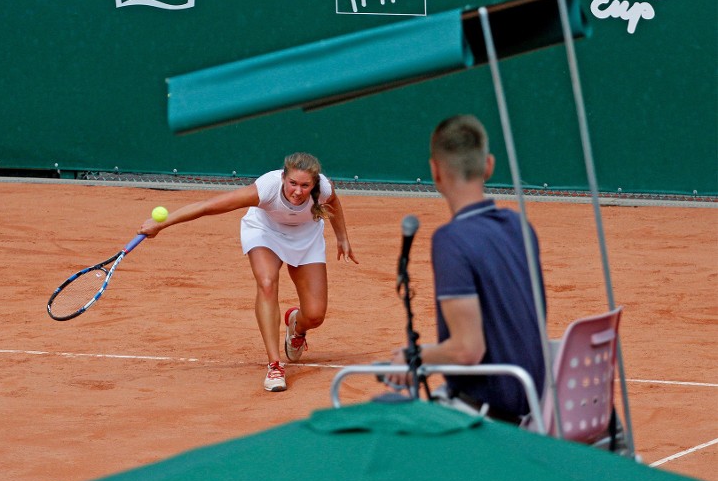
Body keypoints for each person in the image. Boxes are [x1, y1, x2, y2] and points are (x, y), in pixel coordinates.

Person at [140, 152, 358, 392]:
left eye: (305, 185)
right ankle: (275, 365)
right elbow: (207, 207)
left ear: (314, 184)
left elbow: (333, 202)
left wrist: (342, 238)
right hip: (265, 232)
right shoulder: (266, 189)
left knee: (315, 315)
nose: (298, 191)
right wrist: (162, 223)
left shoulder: (324, 188)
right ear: (283, 178)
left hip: (306, 237)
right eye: (293, 183)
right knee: (266, 282)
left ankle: (297, 325)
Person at [385, 114, 546, 423]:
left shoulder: (450, 240)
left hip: (487, 421)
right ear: (488, 165)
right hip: (539, 410)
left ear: (435, 172)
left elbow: (467, 351)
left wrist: (411, 357)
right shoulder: (519, 225)